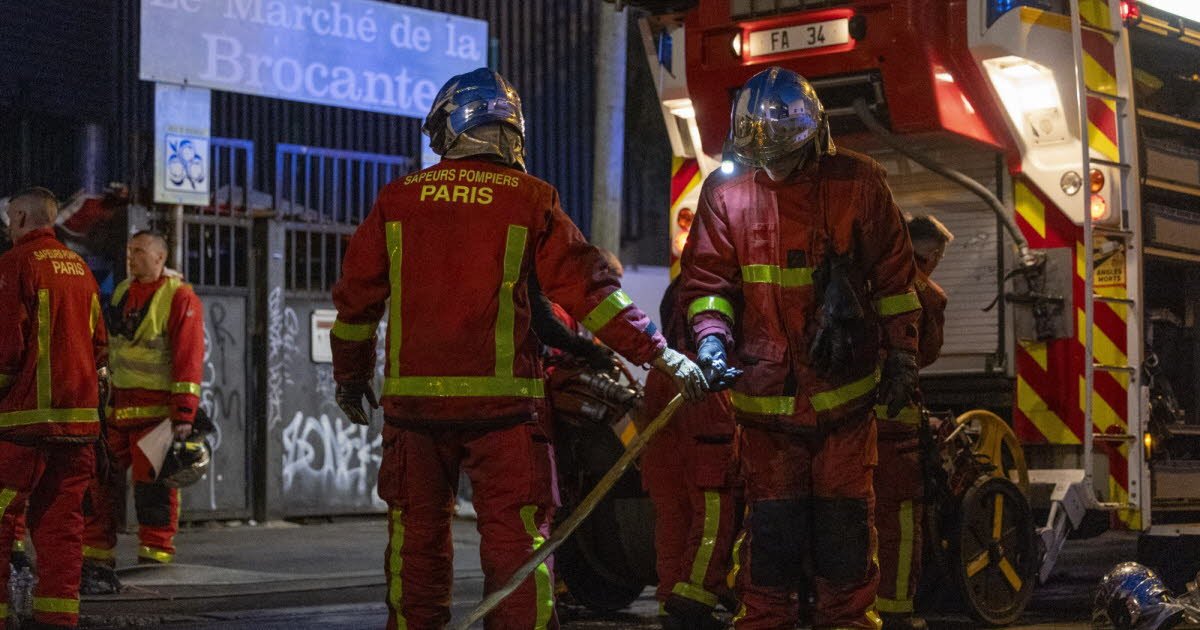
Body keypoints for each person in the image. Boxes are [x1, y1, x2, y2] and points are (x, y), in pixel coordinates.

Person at [330, 67, 707, 630]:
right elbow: (590, 292)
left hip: (415, 411)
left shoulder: (398, 199)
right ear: (511, 130)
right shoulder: (531, 198)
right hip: (505, 412)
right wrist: (659, 353)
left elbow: (356, 302)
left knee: (416, 540)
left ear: (451, 127)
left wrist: (350, 377)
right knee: (519, 542)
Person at [678, 66, 922, 630]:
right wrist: (711, 341)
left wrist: (903, 354)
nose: (773, 166)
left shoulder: (859, 182)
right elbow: (708, 284)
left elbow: (894, 280)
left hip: (844, 397)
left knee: (845, 533)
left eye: (783, 154)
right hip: (766, 404)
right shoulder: (725, 191)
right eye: (762, 156)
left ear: (813, 136)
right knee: (771, 537)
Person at [0, 186, 107, 629]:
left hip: (23, 426)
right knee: (62, 527)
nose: (8, 227)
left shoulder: (15, 264)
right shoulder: (81, 269)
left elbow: (6, 349)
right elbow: (99, 348)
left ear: (22, 218)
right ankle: (57, 620)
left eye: (10, 218)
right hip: (78, 428)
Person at [81, 230, 205, 592]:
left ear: (160, 258)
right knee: (99, 482)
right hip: (118, 411)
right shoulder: (122, 292)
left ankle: (155, 560)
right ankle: (96, 557)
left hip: (156, 416)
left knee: (153, 490)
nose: (131, 257)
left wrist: (184, 415)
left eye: (138, 251)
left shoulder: (180, 297)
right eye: (129, 250)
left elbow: (188, 357)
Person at [640, 277, 738, 630]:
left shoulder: (685, 284)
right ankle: (694, 596)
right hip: (703, 376)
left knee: (673, 512)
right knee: (713, 506)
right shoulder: (714, 284)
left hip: (665, 372)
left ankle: (671, 598)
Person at [873, 214, 952, 630]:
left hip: (843, 417)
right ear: (932, 254)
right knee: (900, 519)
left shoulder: (864, 274)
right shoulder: (929, 294)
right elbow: (928, 353)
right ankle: (895, 609)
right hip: (895, 423)